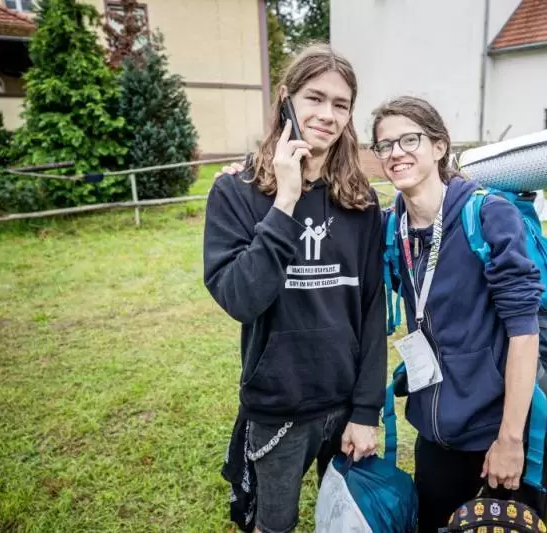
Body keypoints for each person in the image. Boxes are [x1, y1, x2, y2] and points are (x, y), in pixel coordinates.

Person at [203, 44, 387, 533]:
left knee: (345, 525)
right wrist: (285, 201)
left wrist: (366, 410)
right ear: (286, 99)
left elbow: (372, 311)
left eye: (341, 104)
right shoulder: (237, 192)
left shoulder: (360, 201)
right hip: (278, 404)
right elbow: (240, 298)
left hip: (346, 403)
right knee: (274, 525)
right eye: (315, 98)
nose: (327, 115)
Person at [370, 95, 547, 532]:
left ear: (439, 146)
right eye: (385, 145)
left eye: (409, 139)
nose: (396, 153)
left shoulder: (488, 215)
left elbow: (524, 333)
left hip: (496, 427)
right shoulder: (391, 226)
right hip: (435, 431)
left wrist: (510, 440)